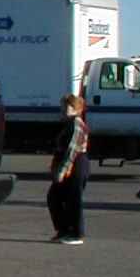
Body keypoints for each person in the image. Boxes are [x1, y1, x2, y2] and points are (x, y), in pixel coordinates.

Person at [47, 93, 89, 246]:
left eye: (67, 106)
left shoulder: (76, 124)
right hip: (68, 164)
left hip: (76, 164)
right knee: (54, 197)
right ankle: (63, 230)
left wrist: (62, 170)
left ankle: (77, 233)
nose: (64, 109)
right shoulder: (69, 124)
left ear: (76, 109)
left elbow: (72, 150)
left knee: (73, 199)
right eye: (63, 106)